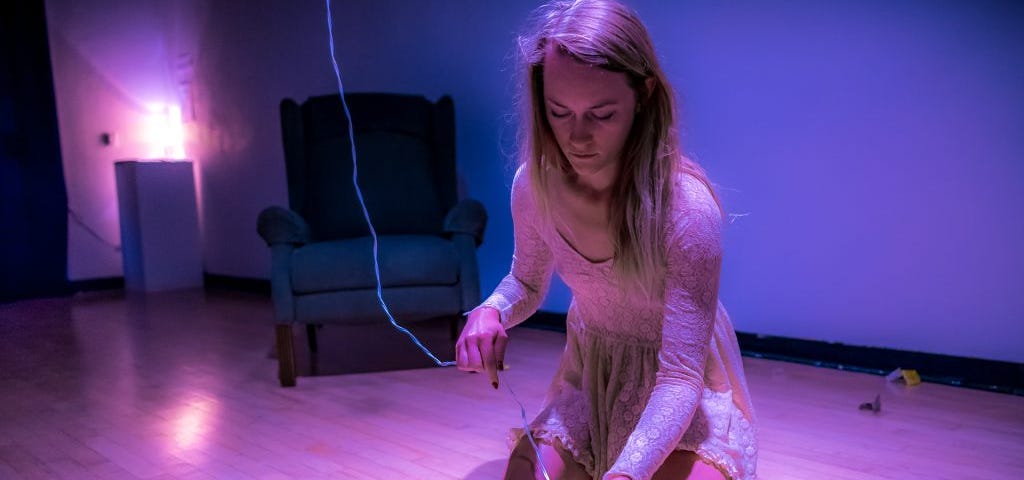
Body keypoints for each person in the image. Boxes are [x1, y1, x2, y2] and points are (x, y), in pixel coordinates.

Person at [455, 1, 758, 479]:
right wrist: (492, 309)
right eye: (559, 112)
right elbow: (527, 282)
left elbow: (679, 377)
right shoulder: (534, 186)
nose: (577, 136)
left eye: (601, 114)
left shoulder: (686, 210)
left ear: (643, 96)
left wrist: (628, 472)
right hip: (595, 378)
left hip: (684, 389)